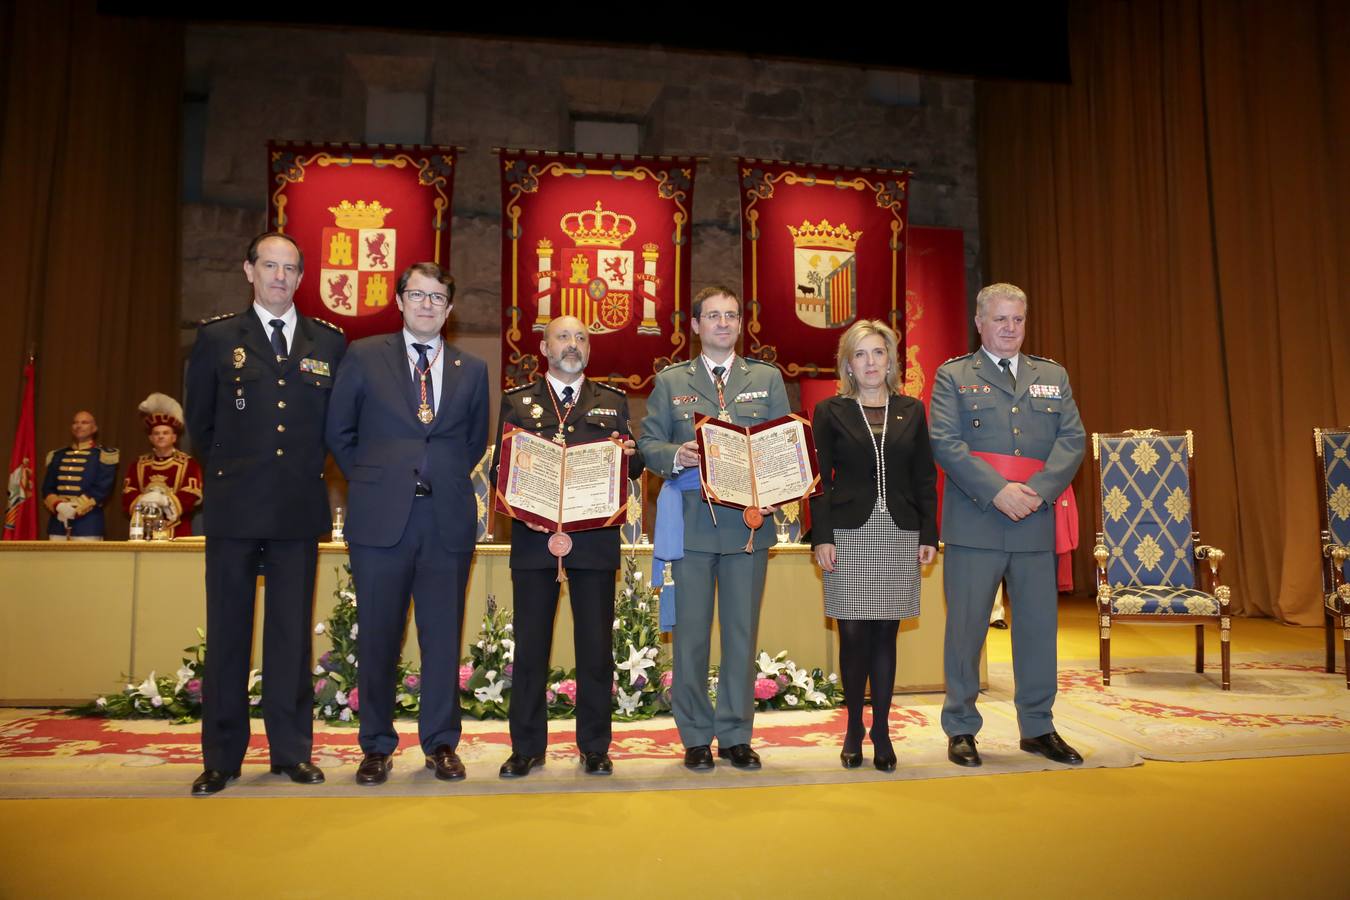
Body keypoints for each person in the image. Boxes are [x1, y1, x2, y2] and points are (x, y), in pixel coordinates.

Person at [185, 232, 346, 796]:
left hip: (297, 508)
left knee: (289, 636)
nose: (280, 276)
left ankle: (291, 751)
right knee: (228, 634)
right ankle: (222, 756)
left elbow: (334, 429)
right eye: (270, 265)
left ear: (302, 278)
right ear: (248, 270)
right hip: (233, 507)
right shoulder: (216, 338)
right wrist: (238, 473)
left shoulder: (329, 343)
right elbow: (200, 428)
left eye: (290, 268)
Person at [326, 262, 488, 786]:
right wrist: (377, 480)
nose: (427, 305)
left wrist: (433, 477)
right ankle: (375, 745)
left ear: (449, 308)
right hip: (380, 519)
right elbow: (340, 431)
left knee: (441, 638)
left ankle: (441, 743)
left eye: (438, 298)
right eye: (417, 295)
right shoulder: (364, 355)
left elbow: (468, 443)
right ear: (399, 300)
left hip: (445, 520)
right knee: (378, 635)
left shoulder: (472, 368)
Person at [929, 282, 1085, 767]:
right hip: (976, 522)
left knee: (1038, 629)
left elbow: (1072, 439)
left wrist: (1037, 491)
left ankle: (1037, 727)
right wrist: (998, 491)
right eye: (1000, 319)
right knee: (966, 630)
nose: (1010, 329)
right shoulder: (953, 376)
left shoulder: (1051, 375)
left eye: (1017, 320)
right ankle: (961, 728)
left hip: (1035, 520)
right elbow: (945, 443)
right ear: (980, 323)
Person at [639, 285, 789, 771]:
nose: (723, 323)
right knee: (692, 637)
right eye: (713, 316)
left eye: (731, 315)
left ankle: (736, 734)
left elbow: (783, 444)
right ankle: (696, 736)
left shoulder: (766, 379)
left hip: (749, 526)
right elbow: (648, 441)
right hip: (693, 525)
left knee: (742, 635)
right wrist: (672, 455)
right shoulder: (670, 381)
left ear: (740, 324)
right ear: (696, 326)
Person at [490, 316, 643, 778]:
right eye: (563, 337)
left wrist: (631, 459)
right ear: (544, 347)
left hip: (594, 543)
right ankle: (527, 747)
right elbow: (502, 467)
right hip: (535, 541)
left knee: (595, 647)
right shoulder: (517, 402)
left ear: (589, 350)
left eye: (581, 338)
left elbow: (631, 474)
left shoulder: (612, 403)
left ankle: (595, 745)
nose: (572, 345)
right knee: (531, 646)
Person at [810, 320, 937, 772]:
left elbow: (924, 476)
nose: (870, 362)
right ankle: (852, 729)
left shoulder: (912, 410)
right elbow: (818, 481)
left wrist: (928, 534)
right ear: (848, 364)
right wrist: (820, 535)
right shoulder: (830, 412)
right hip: (847, 534)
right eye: (860, 354)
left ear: (890, 361)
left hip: (899, 532)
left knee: (885, 634)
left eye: (878, 353)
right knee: (853, 635)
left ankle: (881, 730)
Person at [122, 393, 203, 538]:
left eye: (165, 433)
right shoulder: (138, 464)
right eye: (156, 433)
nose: (160, 436)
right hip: (143, 531)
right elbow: (128, 493)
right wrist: (142, 500)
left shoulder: (189, 464)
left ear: (174, 437)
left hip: (177, 531)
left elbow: (191, 495)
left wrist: (165, 501)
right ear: (151, 438)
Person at [41, 410, 118, 540]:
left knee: (87, 561)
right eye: (75, 422)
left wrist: (75, 508)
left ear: (94, 428)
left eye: (84, 422)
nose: (79, 426)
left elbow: (102, 489)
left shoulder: (105, 455)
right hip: (58, 523)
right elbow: (47, 488)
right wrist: (58, 506)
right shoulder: (57, 455)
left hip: (88, 524)